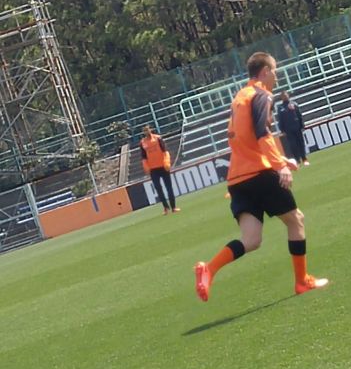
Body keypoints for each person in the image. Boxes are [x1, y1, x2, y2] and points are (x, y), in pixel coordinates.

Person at [194, 52, 328, 302]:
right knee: (296, 221)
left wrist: (280, 160)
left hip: (237, 179)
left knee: (251, 240)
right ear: (265, 71)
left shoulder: (240, 97)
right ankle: (302, 281)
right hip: (259, 174)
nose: (276, 76)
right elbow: (261, 133)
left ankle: (208, 269)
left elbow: (243, 138)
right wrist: (279, 166)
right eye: (274, 71)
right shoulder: (261, 95)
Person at [140, 125, 179, 215]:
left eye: (147, 130)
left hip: (163, 167)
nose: (146, 132)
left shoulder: (158, 138)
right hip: (153, 169)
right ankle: (166, 208)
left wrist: (166, 162)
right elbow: (144, 157)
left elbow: (165, 151)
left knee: (169, 187)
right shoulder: (142, 142)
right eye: (144, 131)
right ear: (143, 132)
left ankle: (173, 207)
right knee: (158, 188)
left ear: (150, 130)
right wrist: (146, 167)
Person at [277, 91, 309, 166]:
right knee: (293, 145)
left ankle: (304, 159)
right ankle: (297, 160)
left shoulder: (294, 104)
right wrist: (282, 130)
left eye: (286, 95)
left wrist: (302, 125)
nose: (285, 97)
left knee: (301, 143)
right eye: (283, 96)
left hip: (297, 127)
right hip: (288, 129)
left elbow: (299, 115)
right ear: (281, 98)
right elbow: (280, 119)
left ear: (288, 95)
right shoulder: (280, 107)